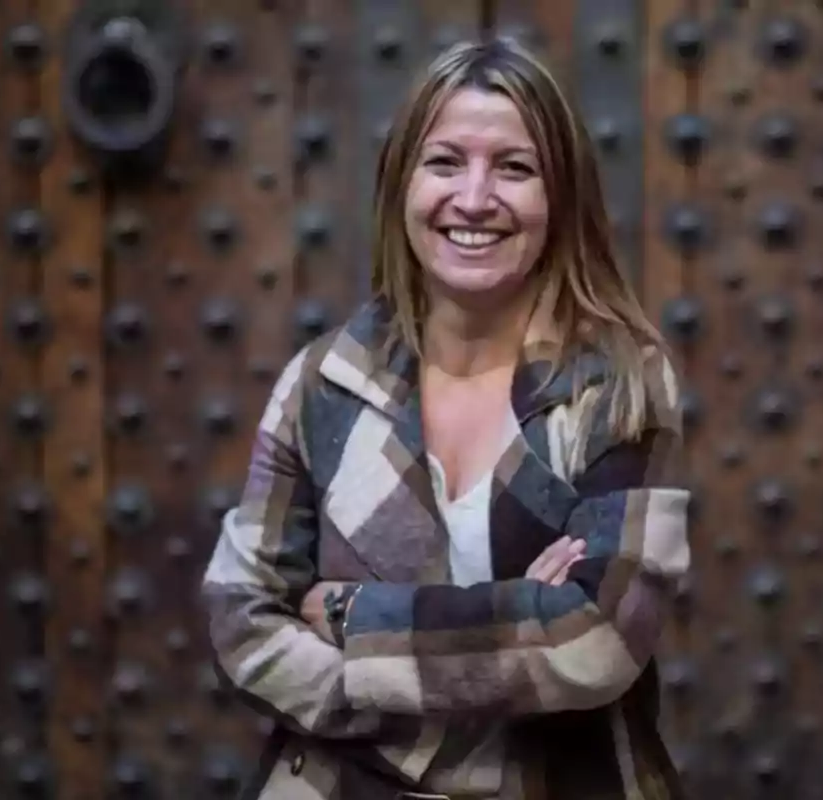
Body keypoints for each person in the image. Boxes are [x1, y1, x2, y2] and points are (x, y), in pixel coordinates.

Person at [201, 36, 691, 800]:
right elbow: (241, 620)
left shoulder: (618, 387)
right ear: (402, 184)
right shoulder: (323, 384)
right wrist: (518, 627)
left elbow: (596, 640)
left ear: (559, 197)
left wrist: (348, 614)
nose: (473, 198)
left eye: (515, 168)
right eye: (445, 162)